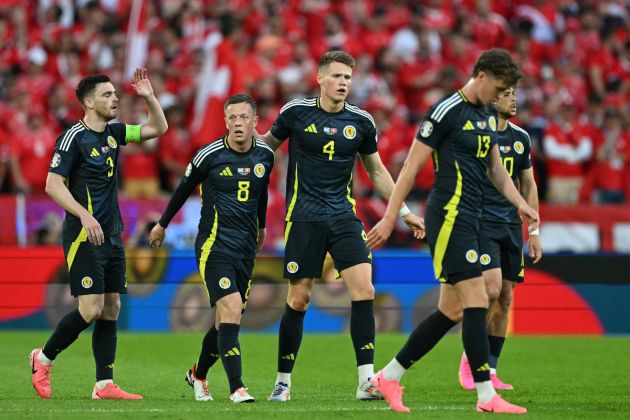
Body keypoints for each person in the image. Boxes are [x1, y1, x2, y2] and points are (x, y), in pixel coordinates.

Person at [366, 49, 539, 414]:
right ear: (481, 75)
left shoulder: (487, 116)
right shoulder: (446, 111)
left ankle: (388, 376)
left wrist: (521, 204)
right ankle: (485, 397)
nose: (502, 95)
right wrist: (390, 216)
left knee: (452, 311)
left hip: (474, 219)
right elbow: (411, 167)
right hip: (448, 217)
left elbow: (496, 169)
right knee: (478, 300)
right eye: (500, 86)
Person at [259, 50, 424, 402]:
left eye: (348, 77)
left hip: (343, 217)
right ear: (320, 78)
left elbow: (377, 171)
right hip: (303, 218)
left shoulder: (361, 122)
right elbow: (265, 150)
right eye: (336, 76)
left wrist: (405, 212)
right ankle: (283, 381)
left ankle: (366, 381)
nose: (343, 83)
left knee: (365, 291)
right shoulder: (295, 113)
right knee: (299, 299)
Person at [30, 68, 168, 400]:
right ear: (88, 102)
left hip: (112, 234)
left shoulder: (114, 132)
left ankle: (104, 384)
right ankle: (43, 358)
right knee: (90, 309)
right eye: (107, 95)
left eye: (115, 93)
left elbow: (158, 128)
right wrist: (84, 215)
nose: (115, 98)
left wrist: (149, 96)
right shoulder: (73, 137)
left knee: (111, 308)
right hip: (83, 234)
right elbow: (52, 184)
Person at [149, 94, 274, 403]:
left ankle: (198, 374)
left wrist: (261, 227)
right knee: (231, 308)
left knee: (225, 323)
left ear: (255, 121)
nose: (238, 123)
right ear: (226, 121)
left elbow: (261, 194)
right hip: (214, 246)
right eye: (232, 118)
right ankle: (237, 387)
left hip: (245, 248)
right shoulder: (209, 155)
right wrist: (162, 224)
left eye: (244, 117)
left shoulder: (265, 156)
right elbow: (183, 189)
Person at [458, 86, 543, 391]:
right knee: (490, 290)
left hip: (510, 225)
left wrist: (533, 231)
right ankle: (470, 361)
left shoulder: (521, 138)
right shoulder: (477, 136)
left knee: (506, 298)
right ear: (492, 99)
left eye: (515, 93)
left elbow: (529, 184)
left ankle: (491, 370)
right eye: (507, 93)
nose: (514, 99)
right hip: (481, 224)